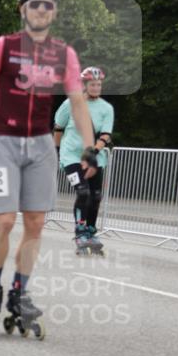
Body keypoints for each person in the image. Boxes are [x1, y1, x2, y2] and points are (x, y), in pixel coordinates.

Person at [0, 0, 99, 337]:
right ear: (23, 10)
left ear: (54, 12)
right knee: (6, 220)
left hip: (39, 144)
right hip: (2, 140)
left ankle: (19, 292)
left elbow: (78, 102)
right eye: (34, 4)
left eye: (47, 5)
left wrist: (90, 148)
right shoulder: (4, 46)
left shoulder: (63, 54)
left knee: (36, 222)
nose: (41, 10)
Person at [54, 66, 114, 254]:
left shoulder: (106, 108)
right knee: (83, 192)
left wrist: (92, 153)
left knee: (95, 196)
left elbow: (105, 135)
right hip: (71, 156)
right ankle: (80, 232)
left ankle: (90, 231)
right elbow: (58, 128)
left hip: (95, 158)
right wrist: (57, 152)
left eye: (98, 84)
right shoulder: (70, 104)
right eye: (92, 84)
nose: (96, 88)